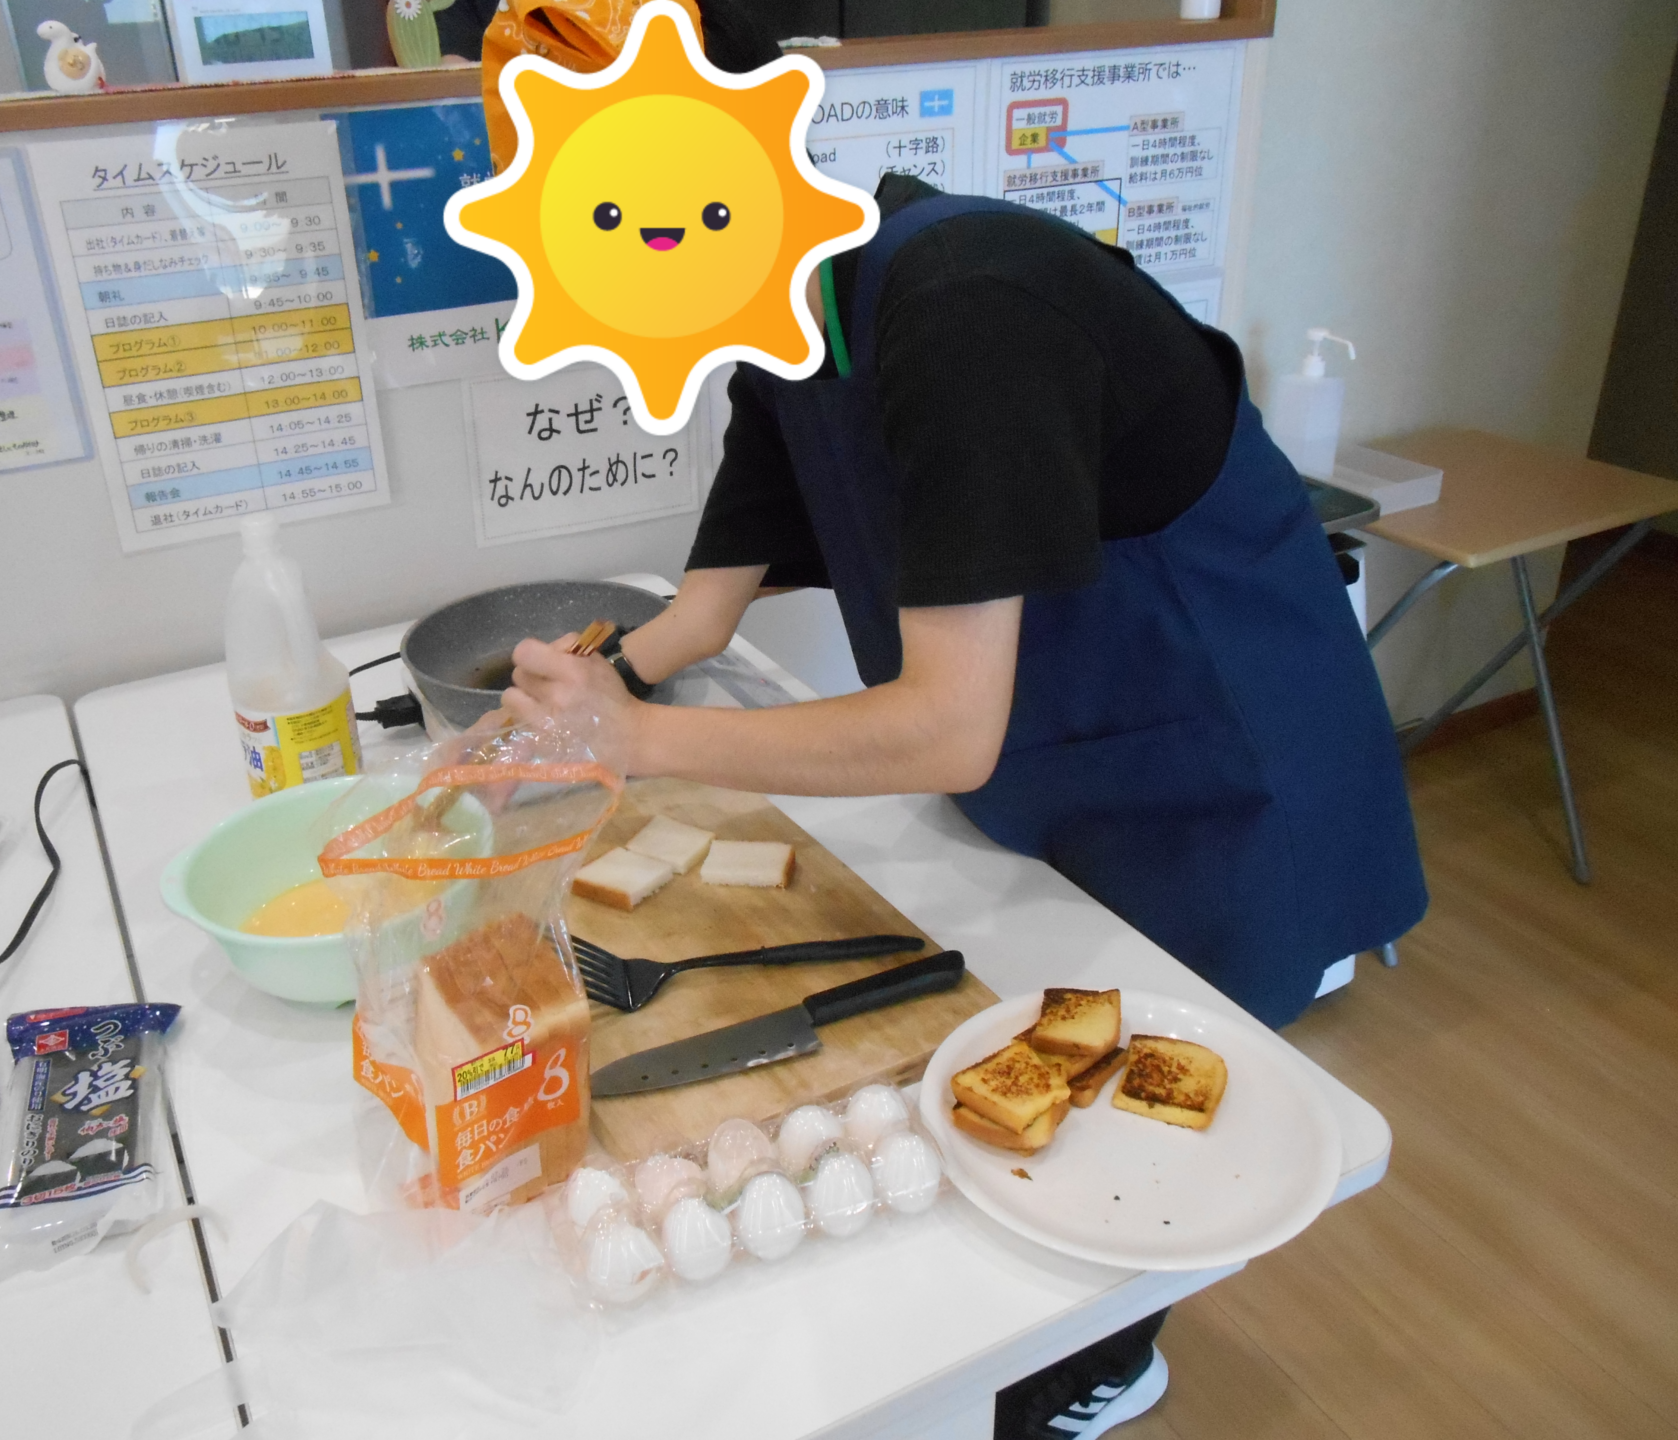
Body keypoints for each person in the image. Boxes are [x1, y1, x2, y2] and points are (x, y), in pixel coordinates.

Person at [487, 3, 1428, 1433]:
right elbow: (704, 613)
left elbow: (942, 729)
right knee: (1036, 1092)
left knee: (1154, 1112)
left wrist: (639, 739)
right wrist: (593, 688)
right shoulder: (794, 313)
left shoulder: (967, 306)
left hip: (1219, 757)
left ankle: (1109, 1363)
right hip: (1062, 743)